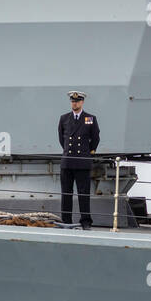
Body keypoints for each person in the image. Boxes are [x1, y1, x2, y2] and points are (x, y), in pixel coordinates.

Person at [57, 90, 100, 229]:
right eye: (72, 101)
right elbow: (61, 138)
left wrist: (88, 153)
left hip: (82, 161)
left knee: (83, 194)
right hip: (67, 161)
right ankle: (66, 221)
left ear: (82, 102)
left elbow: (95, 138)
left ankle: (86, 221)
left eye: (77, 101)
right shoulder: (64, 118)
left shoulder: (90, 119)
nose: (74, 103)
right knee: (66, 193)